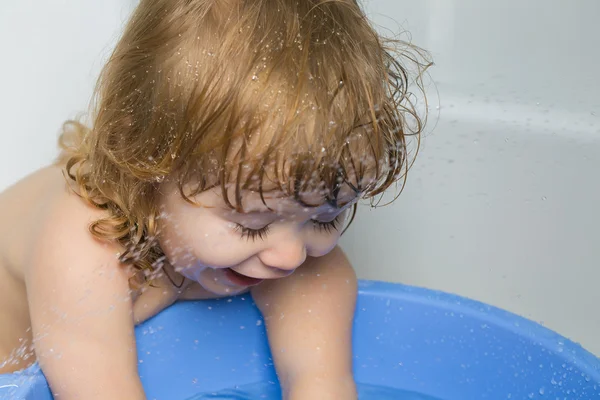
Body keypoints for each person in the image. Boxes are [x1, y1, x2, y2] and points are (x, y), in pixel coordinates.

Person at [0, 0, 430, 398]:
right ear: (147, 167)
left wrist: (319, 380)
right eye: (253, 224)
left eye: (324, 219)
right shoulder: (85, 251)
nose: (290, 255)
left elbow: (323, 380)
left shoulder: (290, 247)